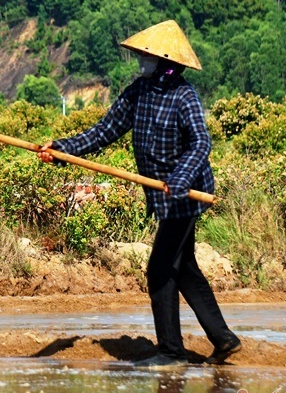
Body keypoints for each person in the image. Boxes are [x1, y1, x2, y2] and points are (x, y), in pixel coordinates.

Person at [38, 20, 241, 370]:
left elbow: (200, 143)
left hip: (187, 194)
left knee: (160, 269)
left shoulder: (184, 95)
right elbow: (104, 132)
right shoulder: (138, 92)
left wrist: (179, 178)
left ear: (164, 59)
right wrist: (62, 150)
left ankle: (171, 352)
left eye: (146, 55)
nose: (141, 60)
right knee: (184, 267)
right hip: (162, 196)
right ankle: (223, 339)